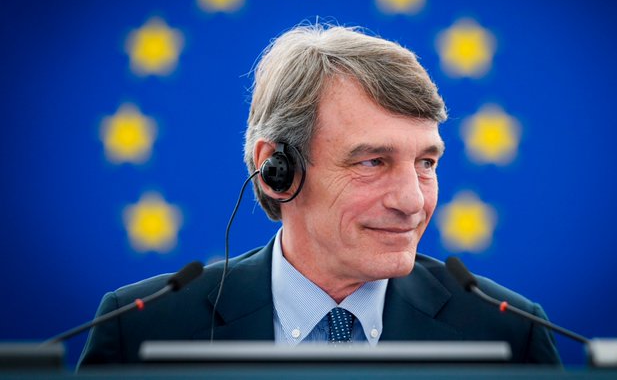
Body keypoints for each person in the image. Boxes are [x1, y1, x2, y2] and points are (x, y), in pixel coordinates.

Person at [78, 23, 561, 366]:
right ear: (277, 170)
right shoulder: (141, 329)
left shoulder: (510, 333)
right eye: (373, 162)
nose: (413, 202)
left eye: (426, 163)